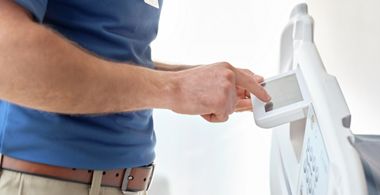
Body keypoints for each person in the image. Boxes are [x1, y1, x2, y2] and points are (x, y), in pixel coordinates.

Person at [0, 0, 270, 195]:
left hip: (124, 183)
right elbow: (7, 59)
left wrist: (191, 80)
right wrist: (173, 88)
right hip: (46, 181)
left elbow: (109, 54)